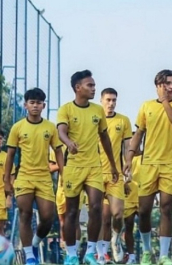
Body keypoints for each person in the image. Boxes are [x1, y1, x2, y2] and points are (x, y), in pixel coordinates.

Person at [124, 69, 172, 265]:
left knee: (166, 209)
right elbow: (138, 134)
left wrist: (165, 101)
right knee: (144, 211)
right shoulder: (146, 106)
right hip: (148, 164)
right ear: (158, 85)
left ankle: (164, 256)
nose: (171, 87)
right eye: (167, 83)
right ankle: (146, 251)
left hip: (170, 164)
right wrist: (129, 158)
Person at [56, 71, 118, 265]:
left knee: (96, 208)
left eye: (94, 85)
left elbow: (105, 138)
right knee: (72, 212)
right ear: (78, 88)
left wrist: (114, 166)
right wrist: (69, 143)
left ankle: (91, 252)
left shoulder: (97, 111)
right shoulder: (66, 109)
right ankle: (72, 254)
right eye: (90, 85)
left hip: (94, 167)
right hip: (73, 167)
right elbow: (61, 131)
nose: (93, 88)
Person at [4, 88, 64, 265]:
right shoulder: (18, 127)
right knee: (25, 214)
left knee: (47, 217)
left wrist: (64, 173)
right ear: (26, 105)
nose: (35, 106)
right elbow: (9, 155)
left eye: (38, 103)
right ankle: (29, 256)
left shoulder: (50, 127)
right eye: (32, 102)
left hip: (44, 177)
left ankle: (35, 243)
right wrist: (7, 181)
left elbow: (58, 151)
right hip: (24, 177)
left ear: (43, 105)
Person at [98, 88, 133, 264]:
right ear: (101, 100)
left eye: (114, 100)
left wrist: (129, 168)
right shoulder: (94, 119)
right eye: (108, 100)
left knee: (117, 214)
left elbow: (127, 146)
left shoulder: (123, 120)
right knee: (102, 217)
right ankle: (102, 252)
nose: (111, 103)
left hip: (115, 175)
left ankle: (115, 238)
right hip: (96, 174)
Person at [0, 129, 10, 236]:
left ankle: (1, 252)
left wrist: (9, 196)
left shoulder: (6, 157)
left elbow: (10, 177)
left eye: (0, 138)